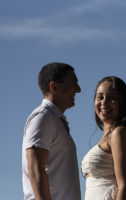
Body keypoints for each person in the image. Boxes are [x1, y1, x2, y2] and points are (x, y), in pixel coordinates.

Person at [22, 62, 82, 200]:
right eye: (73, 83)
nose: (78, 89)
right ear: (54, 86)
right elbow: (35, 169)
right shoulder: (43, 117)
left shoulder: (54, 119)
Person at [81, 76, 126, 200]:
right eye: (100, 97)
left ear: (122, 102)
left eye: (112, 98)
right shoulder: (108, 136)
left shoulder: (119, 133)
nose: (104, 103)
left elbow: (124, 185)